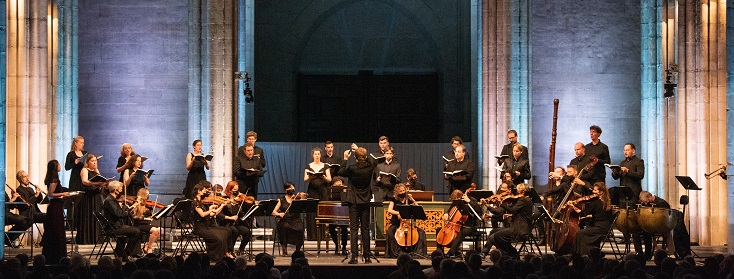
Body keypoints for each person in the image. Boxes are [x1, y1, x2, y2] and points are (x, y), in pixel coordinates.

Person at [338, 147, 375, 264]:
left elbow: (340, 172)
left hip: (353, 201)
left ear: (355, 158)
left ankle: (354, 257)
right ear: (365, 156)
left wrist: (344, 159)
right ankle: (367, 257)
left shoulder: (352, 168)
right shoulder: (370, 167)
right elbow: (372, 161)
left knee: (354, 229)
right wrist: (360, 151)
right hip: (365, 200)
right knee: (365, 229)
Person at [481, 183, 533, 259]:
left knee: (496, 236)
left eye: (518, 191)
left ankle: (510, 254)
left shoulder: (523, 200)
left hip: (519, 229)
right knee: (493, 232)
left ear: (523, 192)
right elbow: (518, 212)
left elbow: (513, 210)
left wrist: (502, 203)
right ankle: (510, 254)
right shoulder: (527, 200)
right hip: (518, 226)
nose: (516, 192)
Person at [191, 182, 234, 261]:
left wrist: (221, 206)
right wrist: (210, 209)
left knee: (226, 232)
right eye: (204, 190)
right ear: (199, 191)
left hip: (207, 225)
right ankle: (215, 257)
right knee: (218, 239)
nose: (205, 192)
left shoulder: (202, 202)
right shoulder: (195, 202)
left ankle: (226, 253)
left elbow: (211, 214)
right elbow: (202, 214)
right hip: (200, 228)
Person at [102, 181, 143, 261]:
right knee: (137, 232)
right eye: (120, 188)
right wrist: (126, 208)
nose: (121, 190)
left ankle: (119, 253)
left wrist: (128, 207)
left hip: (117, 226)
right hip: (113, 228)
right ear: (115, 190)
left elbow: (119, 212)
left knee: (132, 231)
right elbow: (119, 214)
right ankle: (126, 253)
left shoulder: (112, 200)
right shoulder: (109, 201)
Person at [42, 160, 73, 264]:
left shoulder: (54, 178)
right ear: (55, 167)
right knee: (56, 232)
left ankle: (55, 256)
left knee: (57, 231)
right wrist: (64, 193)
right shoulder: (54, 179)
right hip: (55, 208)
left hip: (56, 207)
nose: (60, 166)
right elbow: (50, 194)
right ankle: (56, 256)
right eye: (59, 164)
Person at [569, 182, 613, 255]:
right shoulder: (607, 202)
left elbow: (582, 213)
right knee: (584, 232)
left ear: (601, 192)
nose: (593, 192)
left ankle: (581, 254)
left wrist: (573, 206)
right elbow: (602, 214)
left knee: (580, 233)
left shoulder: (595, 203)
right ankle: (587, 253)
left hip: (599, 228)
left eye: (595, 190)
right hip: (606, 227)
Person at [385, 183, 427, 257]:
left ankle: (418, 252)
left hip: (409, 224)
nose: (402, 192)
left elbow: (418, 208)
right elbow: (389, 210)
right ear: (397, 192)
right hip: (397, 224)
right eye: (400, 191)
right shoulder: (393, 200)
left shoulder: (408, 199)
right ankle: (397, 252)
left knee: (421, 232)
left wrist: (413, 200)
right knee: (390, 232)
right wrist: (399, 213)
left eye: (403, 190)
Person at [438, 189, 482, 258]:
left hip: (470, 226)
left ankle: (451, 252)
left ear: (460, 197)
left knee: (461, 233)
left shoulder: (471, 200)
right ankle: (439, 252)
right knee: (439, 230)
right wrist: (446, 214)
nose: (455, 203)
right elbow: (449, 211)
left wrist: (469, 202)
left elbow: (479, 210)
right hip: (458, 225)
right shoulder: (456, 203)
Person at [76, 153, 105, 244]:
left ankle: (95, 238)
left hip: (96, 196)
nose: (94, 163)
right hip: (88, 196)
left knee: (96, 218)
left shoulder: (97, 171)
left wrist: (104, 184)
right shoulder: (84, 170)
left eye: (95, 161)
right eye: (92, 161)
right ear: (87, 162)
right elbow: (84, 181)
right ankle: (86, 239)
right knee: (88, 217)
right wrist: (97, 184)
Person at [304, 147, 331, 241]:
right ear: (313, 155)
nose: (317, 156)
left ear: (320, 155)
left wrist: (323, 176)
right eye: (315, 154)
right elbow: (305, 179)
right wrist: (310, 177)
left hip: (322, 190)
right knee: (312, 211)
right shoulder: (309, 166)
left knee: (322, 211)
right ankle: (312, 235)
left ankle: (322, 235)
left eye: (318, 154)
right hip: (312, 190)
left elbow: (329, 179)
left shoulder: (325, 166)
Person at [633, 191, 670, 260]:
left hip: (659, 225)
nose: (645, 203)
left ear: (650, 197)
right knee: (635, 232)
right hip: (648, 225)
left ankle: (647, 255)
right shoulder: (645, 203)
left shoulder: (662, 203)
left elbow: (665, 218)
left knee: (647, 233)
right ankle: (639, 253)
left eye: (646, 201)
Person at [271, 182, 305, 256]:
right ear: (285, 190)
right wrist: (279, 214)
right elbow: (273, 211)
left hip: (296, 220)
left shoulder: (297, 199)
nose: (291, 189)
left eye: (292, 188)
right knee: (284, 227)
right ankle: (284, 248)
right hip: (285, 220)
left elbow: (303, 207)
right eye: (289, 188)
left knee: (300, 228)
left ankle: (298, 250)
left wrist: (302, 198)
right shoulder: (281, 200)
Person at [221, 181, 253, 255]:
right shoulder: (224, 199)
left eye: (237, 190)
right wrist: (230, 217)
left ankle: (241, 249)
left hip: (237, 223)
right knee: (235, 231)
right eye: (235, 190)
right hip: (228, 223)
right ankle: (230, 250)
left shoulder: (239, 199)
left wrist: (252, 203)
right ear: (230, 190)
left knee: (247, 232)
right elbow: (221, 214)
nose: (237, 192)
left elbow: (245, 208)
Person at [131, 188, 162, 254]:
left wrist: (152, 216)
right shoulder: (136, 204)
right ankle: (150, 248)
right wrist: (143, 218)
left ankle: (147, 245)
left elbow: (150, 215)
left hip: (147, 224)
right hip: (139, 225)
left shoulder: (148, 205)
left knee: (161, 229)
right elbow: (133, 216)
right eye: (147, 194)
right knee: (156, 230)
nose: (148, 196)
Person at [327, 177, 348, 255]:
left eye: (340, 185)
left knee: (344, 228)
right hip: (333, 212)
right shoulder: (330, 191)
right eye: (336, 185)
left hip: (344, 212)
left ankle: (344, 247)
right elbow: (328, 202)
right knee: (331, 227)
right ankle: (337, 245)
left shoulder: (346, 190)